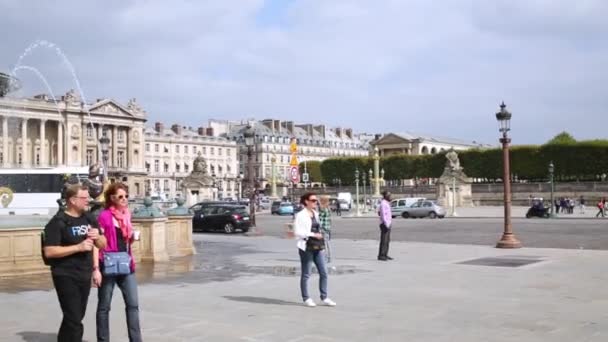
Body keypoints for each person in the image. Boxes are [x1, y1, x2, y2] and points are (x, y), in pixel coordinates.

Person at [43, 184, 107, 342]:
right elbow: (49, 251)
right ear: (72, 200)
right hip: (64, 273)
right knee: (74, 317)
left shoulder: (89, 218)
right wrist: (78, 247)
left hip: (84, 273)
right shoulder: (58, 221)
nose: (88, 201)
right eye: (84, 198)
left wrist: (98, 236)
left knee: (76, 315)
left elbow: (103, 244)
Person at [94, 182, 142, 342]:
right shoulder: (104, 216)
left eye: (126, 196)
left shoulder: (126, 215)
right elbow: (96, 243)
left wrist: (133, 237)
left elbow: (126, 241)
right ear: (112, 198)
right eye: (121, 196)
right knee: (104, 306)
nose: (124, 199)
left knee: (133, 304)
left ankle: (136, 340)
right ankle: (103, 339)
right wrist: (95, 269)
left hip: (126, 264)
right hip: (108, 264)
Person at [293, 192, 336, 307]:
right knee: (306, 273)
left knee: (324, 272)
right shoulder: (300, 215)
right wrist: (312, 234)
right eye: (313, 200)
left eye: (316, 200)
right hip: (306, 246)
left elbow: (319, 227)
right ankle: (306, 298)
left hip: (318, 246)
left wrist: (320, 234)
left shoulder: (315, 214)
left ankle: (324, 296)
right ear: (306, 201)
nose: (315, 202)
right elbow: (297, 232)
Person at [377, 190, 393, 261]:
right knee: (384, 240)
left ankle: (385, 254)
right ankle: (381, 255)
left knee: (387, 240)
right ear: (385, 196)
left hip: (388, 223)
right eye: (389, 195)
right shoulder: (383, 203)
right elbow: (383, 215)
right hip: (385, 224)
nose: (390, 196)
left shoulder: (387, 203)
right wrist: (386, 224)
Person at [318, 196, 333, 264]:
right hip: (327, 228)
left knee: (324, 244)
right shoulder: (328, 208)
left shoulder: (323, 209)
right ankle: (328, 257)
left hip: (323, 229)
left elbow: (319, 219)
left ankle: (325, 258)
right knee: (327, 243)